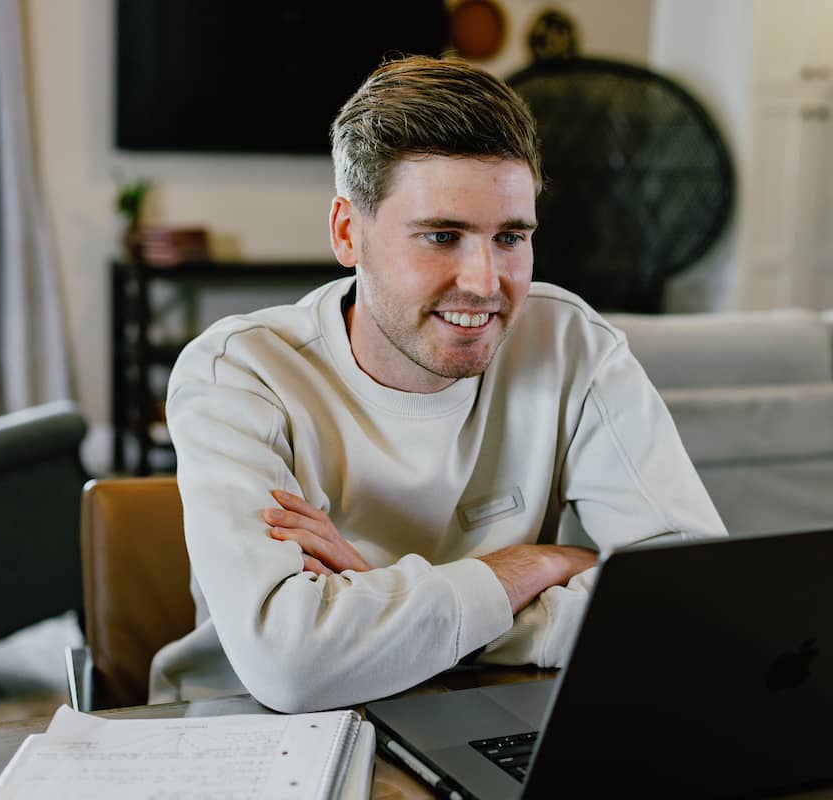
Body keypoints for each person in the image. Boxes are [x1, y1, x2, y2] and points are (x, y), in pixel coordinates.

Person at [149, 55, 725, 712]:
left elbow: (692, 601)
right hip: (254, 734)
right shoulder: (240, 373)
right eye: (442, 236)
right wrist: (529, 567)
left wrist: (389, 603)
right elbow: (293, 666)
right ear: (347, 232)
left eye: (511, 237)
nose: (485, 281)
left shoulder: (569, 344)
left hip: (490, 707)